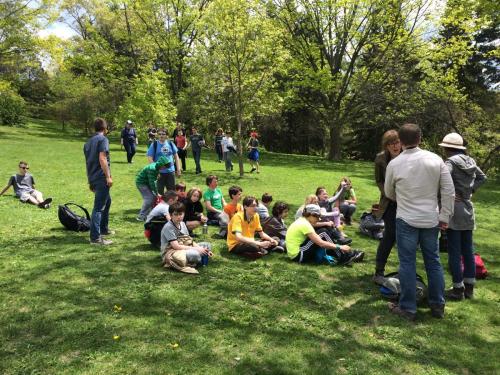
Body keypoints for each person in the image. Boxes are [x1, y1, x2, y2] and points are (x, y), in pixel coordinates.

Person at [385, 123, 454, 321]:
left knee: (407, 263)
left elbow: (389, 192)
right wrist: (445, 216)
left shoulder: (395, 163)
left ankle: (408, 308)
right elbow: (448, 190)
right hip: (431, 219)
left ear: (401, 140)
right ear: (420, 139)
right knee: (433, 261)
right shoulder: (435, 160)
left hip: (406, 217)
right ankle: (437, 304)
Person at [438, 133, 487, 300]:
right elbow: (482, 177)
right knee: (468, 251)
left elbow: (442, 180)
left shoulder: (450, 163)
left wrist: (450, 194)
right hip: (467, 208)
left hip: (454, 209)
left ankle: (458, 289)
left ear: (446, 148)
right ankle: (469, 288)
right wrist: (470, 191)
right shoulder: (470, 161)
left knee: (454, 251)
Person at [285, 204, 363, 265]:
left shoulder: (302, 220)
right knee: (323, 233)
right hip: (298, 255)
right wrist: (340, 247)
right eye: (318, 216)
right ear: (311, 215)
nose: (319, 219)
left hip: (297, 252)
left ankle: (345, 254)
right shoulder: (304, 224)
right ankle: (344, 256)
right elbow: (321, 243)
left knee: (323, 230)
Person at [372, 129, 402, 285]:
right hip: (389, 203)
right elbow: (379, 180)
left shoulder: (408, 156)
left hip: (407, 203)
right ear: (386, 146)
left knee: (403, 238)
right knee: (390, 235)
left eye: (397, 142)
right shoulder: (380, 159)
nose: (395, 146)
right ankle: (379, 271)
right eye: (391, 144)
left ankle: (405, 272)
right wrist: (388, 193)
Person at [160, 202, 213, 275]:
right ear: (171, 215)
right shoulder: (168, 227)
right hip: (172, 251)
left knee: (207, 245)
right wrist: (197, 249)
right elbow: (175, 246)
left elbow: (188, 240)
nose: (179, 217)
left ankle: (200, 256)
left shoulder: (182, 223)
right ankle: (198, 258)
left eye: (181, 214)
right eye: (176, 214)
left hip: (183, 246)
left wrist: (202, 249)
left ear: (184, 214)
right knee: (195, 255)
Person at [83, 118, 113, 245]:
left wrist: (90, 181)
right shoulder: (103, 139)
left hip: (93, 177)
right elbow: (102, 158)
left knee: (108, 200)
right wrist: (108, 176)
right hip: (101, 177)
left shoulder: (88, 143)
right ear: (105, 129)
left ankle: (104, 229)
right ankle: (95, 238)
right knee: (98, 208)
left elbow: (88, 163)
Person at [135, 156, 172, 221]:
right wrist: (157, 193)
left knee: (153, 197)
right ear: (161, 164)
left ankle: (150, 214)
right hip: (142, 183)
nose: (165, 168)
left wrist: (156, 194)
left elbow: (153, 181)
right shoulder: (152, 169)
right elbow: (152, 183)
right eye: (165, 166)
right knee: (149, 198)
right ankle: (141, 216)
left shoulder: (156, 167)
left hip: (146, 183)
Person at [147, 128, 181, 195]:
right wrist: (155, 171)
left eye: (163, 134)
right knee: (159, 193)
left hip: (170, 172)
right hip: (159, 173)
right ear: (157, 135)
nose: (161, 136)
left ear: (167, 135)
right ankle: (160, 205)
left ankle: (171, 205)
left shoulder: (170, 144)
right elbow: (150, 158)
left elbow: (176, 157)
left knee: (171, 193)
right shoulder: (154, 144)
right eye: (159, 134)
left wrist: (178, 169)